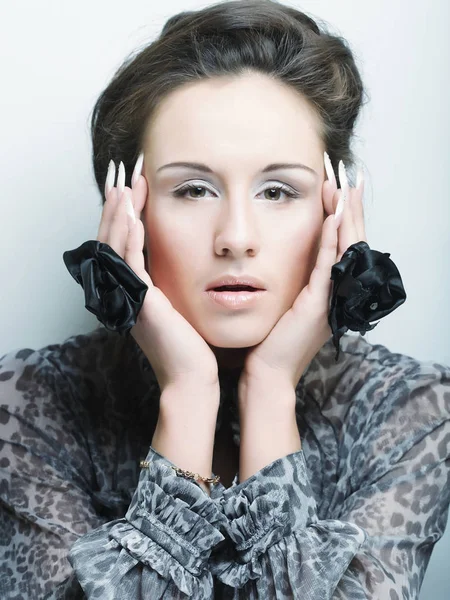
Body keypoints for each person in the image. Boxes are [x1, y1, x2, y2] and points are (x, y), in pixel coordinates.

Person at [0, 0, 449, 598]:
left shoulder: (416, 412)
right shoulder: (27, 402)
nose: (236, 237)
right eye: (192, 188)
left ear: (334, 211)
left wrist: (270, 388)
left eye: (278, 190)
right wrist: (187, 392)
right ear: (129, 211)